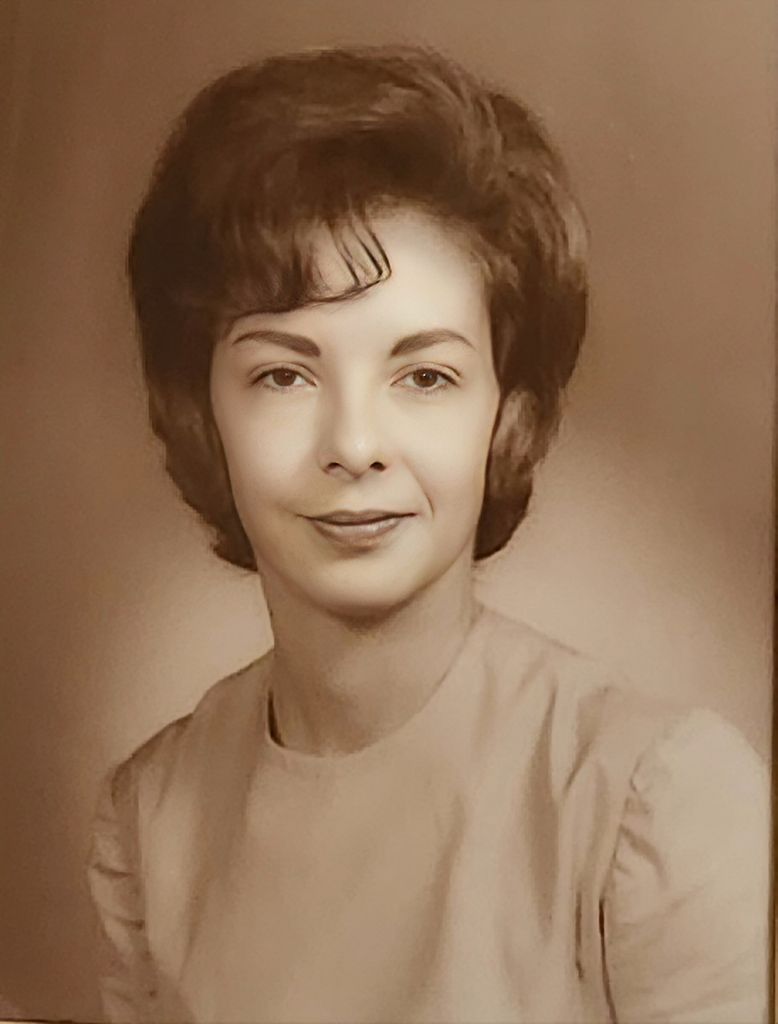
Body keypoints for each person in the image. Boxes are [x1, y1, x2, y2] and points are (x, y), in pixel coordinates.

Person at [87, 44, 769, 1024]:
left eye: (425, 376)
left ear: (508, 413)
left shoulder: (653, 802)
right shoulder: (150, 819)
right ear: (202, 413)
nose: (355, 445)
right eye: (284, 374)